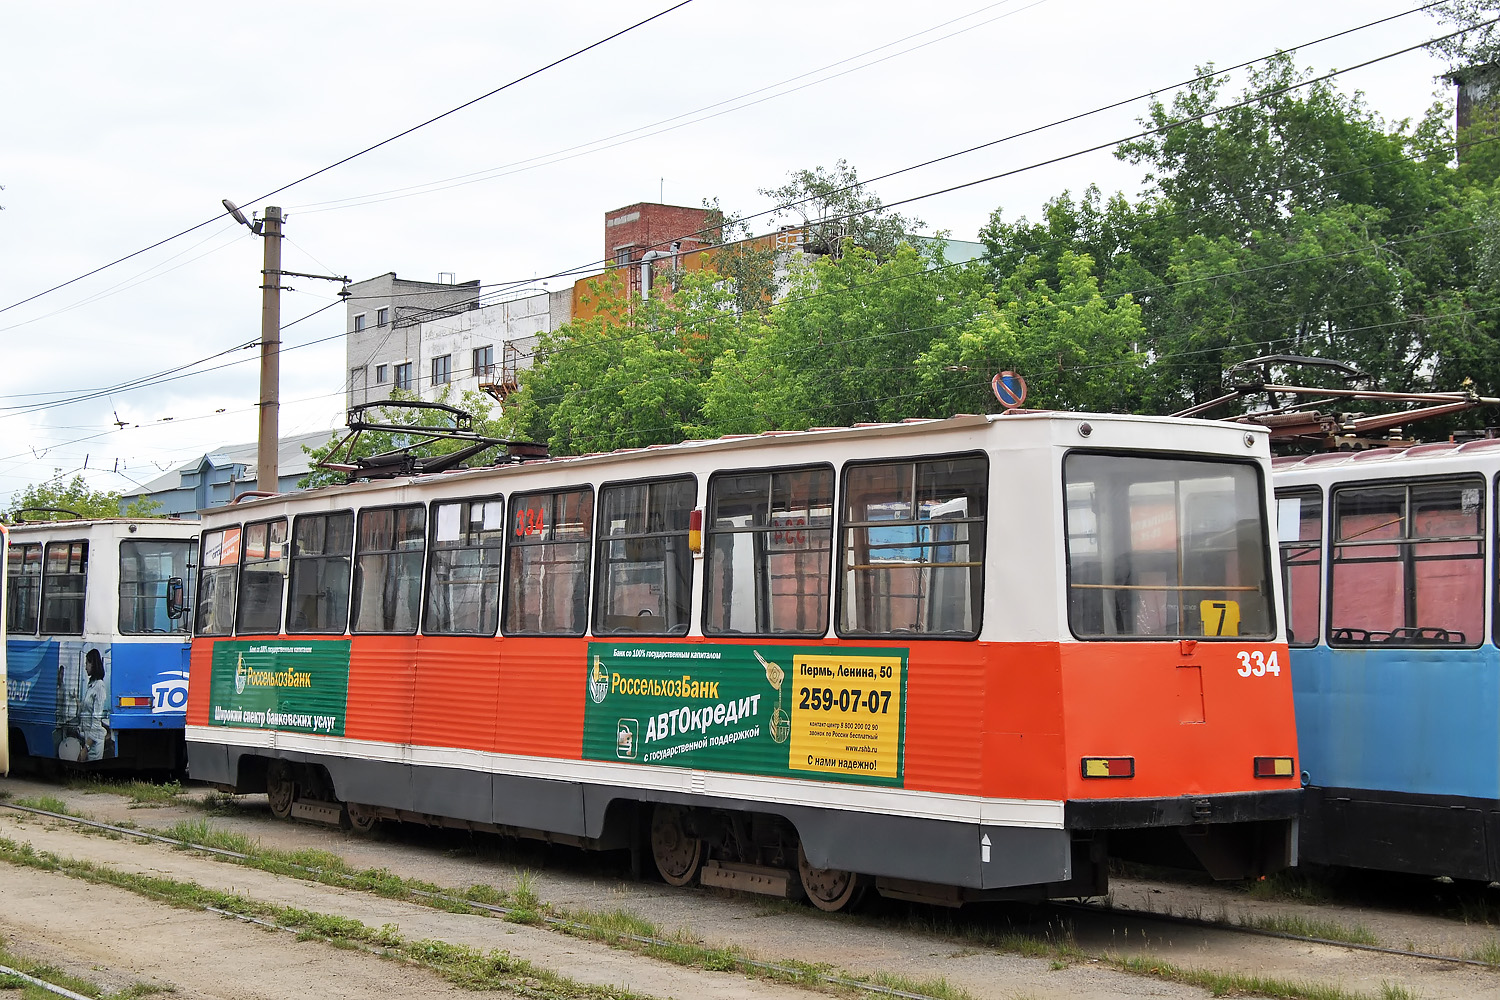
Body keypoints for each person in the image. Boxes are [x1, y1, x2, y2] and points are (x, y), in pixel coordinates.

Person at [79, 648, 109, 762]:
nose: (85, 666)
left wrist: (86, 748)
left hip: (94, 742)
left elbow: (96, 721)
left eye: (87, 663)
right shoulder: (91, 684)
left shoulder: (99, 686)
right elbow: (87, 709)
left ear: (93, 664)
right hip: (88, 738)